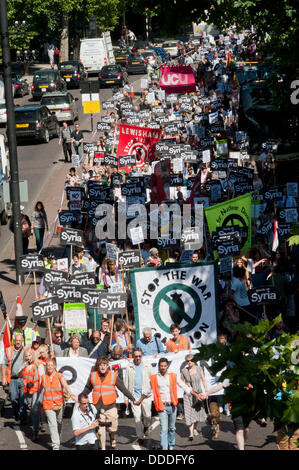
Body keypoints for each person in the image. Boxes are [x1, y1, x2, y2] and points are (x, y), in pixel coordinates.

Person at [79, 356, 139, 450]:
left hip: (111, 407)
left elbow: (123, 389)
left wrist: (132, 399)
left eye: (105, 365)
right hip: (98, 408)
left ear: (108, 366)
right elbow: (87, 388)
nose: (103, 367)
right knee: (101, 431)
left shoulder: (113, 375)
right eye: (100, 365)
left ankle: (112, 437)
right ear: (97, 366)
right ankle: (103, 448)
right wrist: (80, 397)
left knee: (113, 428)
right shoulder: (93, 375)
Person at [149, 357, 199, 450]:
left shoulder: (173, 376)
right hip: (162, 407)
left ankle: (171, 445)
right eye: (161, 366)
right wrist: (139, 400)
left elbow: (184, 386)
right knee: (164, 429)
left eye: (164, 366)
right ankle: (164, 448)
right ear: (159, 367)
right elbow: (147, 391)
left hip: (172, 406)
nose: (163, 368)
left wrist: (195, 394)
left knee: (171, 428)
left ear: (167, 366)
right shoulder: (154, 378)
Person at [39, 358, 75, 450]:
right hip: (47, 405)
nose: (50, 367)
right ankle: (55, 445)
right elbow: (39, 389)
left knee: (59, 422)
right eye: (48, 365)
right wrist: (36, 400)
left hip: (59, 404)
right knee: (52, 424)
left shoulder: (60, 376)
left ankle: (57, 437)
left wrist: (71, 395)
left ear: (55, 366)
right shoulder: (43, 377)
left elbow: (66, 386)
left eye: (51, 365)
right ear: (46, 367)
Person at [124, 348, 153, 446]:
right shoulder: (129, 367)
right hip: (134, 396)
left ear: (142, 356)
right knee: (137, 418)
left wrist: (150, 392)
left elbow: (153, 380)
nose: (138, 358)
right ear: (133, 356)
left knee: (147, 416)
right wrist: (126, 398)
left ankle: (146, 426)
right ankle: (140, 437)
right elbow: (126, 383)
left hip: (146, 396)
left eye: (139, 356)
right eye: (136, 356)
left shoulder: (147, 366)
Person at [181, 353, 207, 440]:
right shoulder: (184, 370)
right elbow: (181, 383)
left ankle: (195, 428)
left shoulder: (199, 369)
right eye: (187, 361)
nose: (189, 362)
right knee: (189, 413)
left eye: (191, 360)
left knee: (196, 412)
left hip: (198, 394)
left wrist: (206, 392)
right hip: (188, 395)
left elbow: (203, 380)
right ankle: (191, 433)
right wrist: (185, 384)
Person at [2, 334, 26, 424]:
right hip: (12, 379)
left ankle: (22, 417)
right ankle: (16, 412)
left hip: (23, 379)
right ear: (14, 340)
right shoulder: (8, 350)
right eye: (16, 340)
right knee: (13, 398)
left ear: (22, 340)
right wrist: (4, 377)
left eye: (20, 340)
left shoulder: (26, 350)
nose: (18, 342)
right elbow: (4, 364)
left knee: (23, 398)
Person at [20, 347, 41, 441]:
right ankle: (40, 421)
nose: (28, 357)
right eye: (26, 356)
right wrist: (22, 367)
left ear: (32, 355)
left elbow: (41, 379)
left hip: (36, 390)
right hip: (27, 392)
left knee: (34, 411)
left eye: (29, 355)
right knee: (32, 410)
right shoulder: (24, 365)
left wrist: (34, 384)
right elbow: (20, 375)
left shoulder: (37, 365)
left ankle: (35, 431)